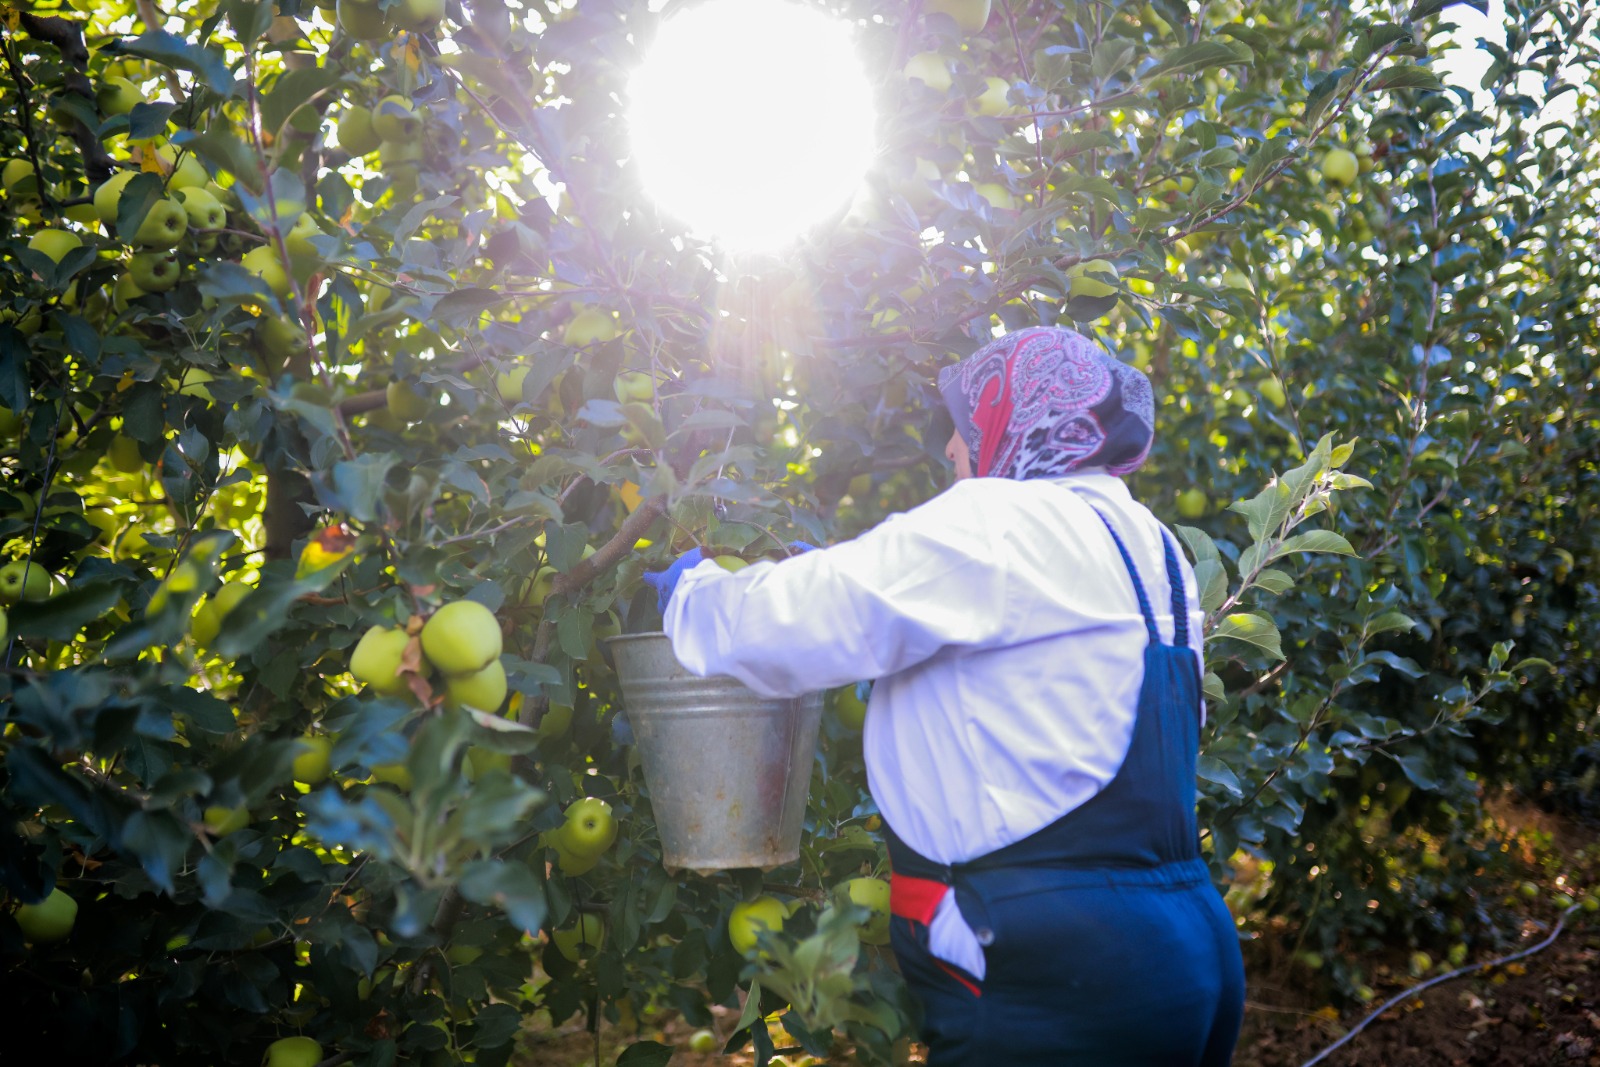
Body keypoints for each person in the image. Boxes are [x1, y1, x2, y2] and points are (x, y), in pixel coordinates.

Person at [649, 326, 1245, 1065]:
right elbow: (1054, 699)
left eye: (962, 430)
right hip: (1188, 949)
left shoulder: (994, 519)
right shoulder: (1152, 544)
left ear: (1010, 421)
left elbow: (789, 623)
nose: (953, 455)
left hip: (1053, 969)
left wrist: (692, 598)